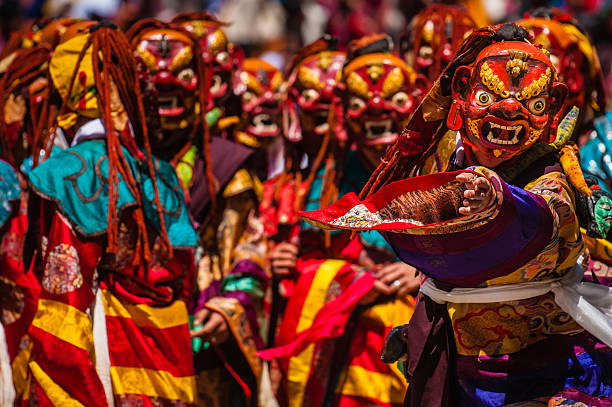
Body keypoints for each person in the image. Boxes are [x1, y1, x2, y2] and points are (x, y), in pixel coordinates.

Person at [300, 23, 612, 406]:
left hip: (539, 370)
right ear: (462, 93)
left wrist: (498, 199)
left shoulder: (554, 177)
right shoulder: (447, 154)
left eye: (531, 104)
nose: (508, 111)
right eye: (486, 96)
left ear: (553, 107)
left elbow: (546, 218)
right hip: (461, 361)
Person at [24, 22, 199, 406]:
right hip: (168, 365)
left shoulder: (63, 174)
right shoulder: (161, 173)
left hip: (102, 359)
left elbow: (65, 300)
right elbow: (183, 282)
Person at [263, 34, 423, 407]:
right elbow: (310, 258)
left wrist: (422, 274)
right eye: (361, 103)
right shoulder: (329, 180)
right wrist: (353, 278)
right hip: (348, 341)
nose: (378, 108)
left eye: (395, 100)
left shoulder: (441, 167)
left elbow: (472, 250)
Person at [128, 20, 270, 407]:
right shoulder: (118, 161)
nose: (166, 95)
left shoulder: (225, 164)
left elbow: (249, 248)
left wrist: (229, 308)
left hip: (201, 329)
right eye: (155, 89)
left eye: (180, 80)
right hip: (131, 328)